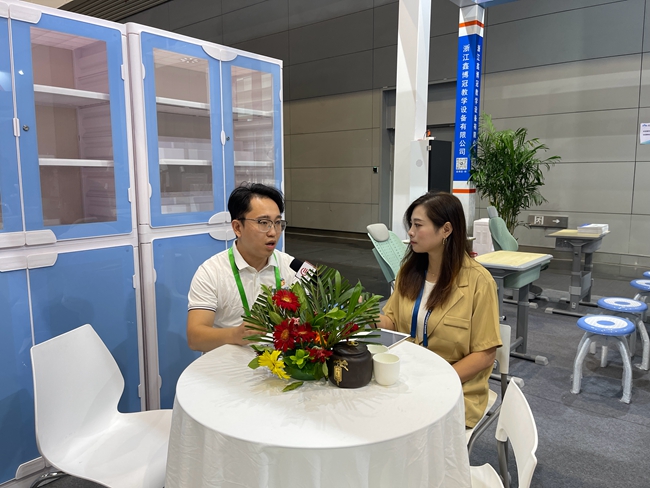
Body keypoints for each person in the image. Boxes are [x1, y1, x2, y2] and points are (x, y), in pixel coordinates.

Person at [377, 192, 501, 428]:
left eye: (418, 225)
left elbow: (485, 355)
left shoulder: (479, 281)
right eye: (410, 225)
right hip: (405, 377)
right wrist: (367, 317)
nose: (410, 232)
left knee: (396, 423)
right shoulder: (409, 273)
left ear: (446, 229)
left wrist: (438, 381)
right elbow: (392, 323)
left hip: (454, 387)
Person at [187, 183, 299, 352]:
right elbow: (195, 338)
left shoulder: (291, 266)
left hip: (280, 361)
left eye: (277, 223)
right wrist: (235, 335)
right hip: (227, 362)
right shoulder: (211, 271)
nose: (273, 232)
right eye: (263, 222)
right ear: (237, 228)